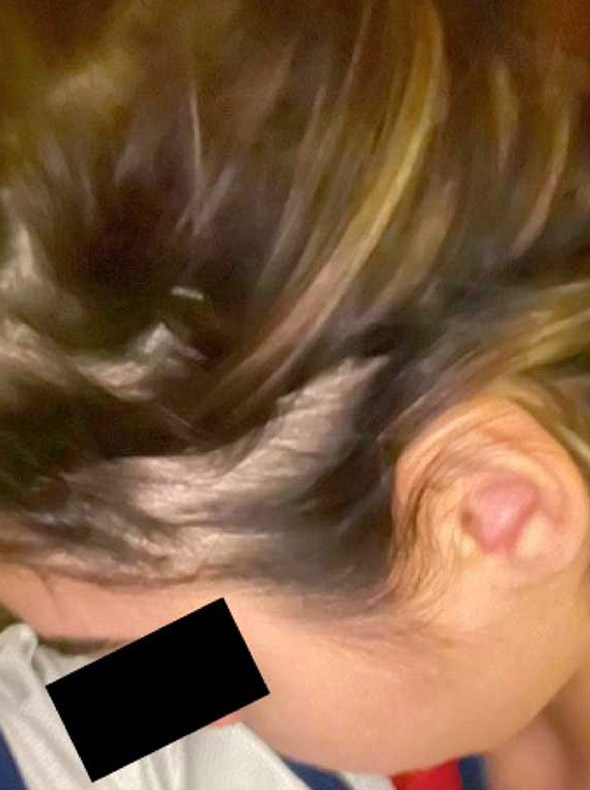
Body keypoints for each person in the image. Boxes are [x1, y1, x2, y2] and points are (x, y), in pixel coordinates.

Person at [0, 0, 590, 788]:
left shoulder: (213, 653)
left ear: (488, 515)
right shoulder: (212, 653)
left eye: (120, 647)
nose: (172, 691)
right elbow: (61, 735)